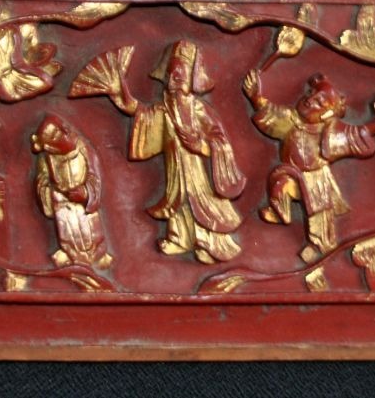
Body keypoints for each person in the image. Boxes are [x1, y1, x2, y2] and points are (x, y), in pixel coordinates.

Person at [114, 40, 247, 264]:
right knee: (177, 200)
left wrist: (202, 145)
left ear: (193, 78)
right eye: (172, 74)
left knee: (200, 201)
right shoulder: (165, 108)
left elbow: (219, 139)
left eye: (181, 75)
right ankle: (180, 238)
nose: (175, 80)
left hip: (197, 169)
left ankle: (208, 242)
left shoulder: (199, 109)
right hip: (175, 165)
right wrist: (120, 94)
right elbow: (141, 113)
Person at [243, 69, 375, 263]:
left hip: (316, 179)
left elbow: (353, 135)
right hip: (292, 172)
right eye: (311, 93)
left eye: (319, 102)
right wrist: (256, 98)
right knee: (279, 184)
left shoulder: (328, 133)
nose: (310, 100)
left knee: (319, 214)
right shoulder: (291, 120)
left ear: (327, 113)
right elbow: (271, 115)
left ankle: (319, 246)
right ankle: (281, 212)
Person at [31, 115, 112, 269]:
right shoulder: (47, 159)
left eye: (60, 131)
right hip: (62, 202)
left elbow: (94, 175)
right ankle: (70, 254)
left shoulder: (83, 148)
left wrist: (86, 193)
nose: (61, 136)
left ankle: (98, 255)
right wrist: (52, 192)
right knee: (68, 230)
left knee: (90, 229)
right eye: (54, 136)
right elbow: (42, 180)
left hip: (83, 201)